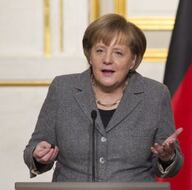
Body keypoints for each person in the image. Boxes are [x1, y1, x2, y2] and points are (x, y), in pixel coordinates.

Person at [23, 13, 183, 182]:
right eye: (100, 51)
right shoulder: (63, 89)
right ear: (90, 55)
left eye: (118, 53)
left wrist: (168, 157)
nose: (107, 59)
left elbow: (172, 165)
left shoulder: (155, 95)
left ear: (133, 60)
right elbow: (33, 148)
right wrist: (38, 155)